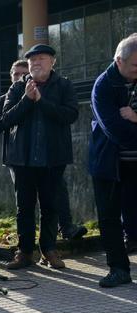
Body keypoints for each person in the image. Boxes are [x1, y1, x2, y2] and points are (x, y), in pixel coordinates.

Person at [0, 44, 78, 270]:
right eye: (32, 60)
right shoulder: (17, 88)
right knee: (24, 208)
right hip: (22, 160)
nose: (36, 63)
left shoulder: (64, 85)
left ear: (53, 62)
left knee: (50, 206)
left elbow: (70, 115)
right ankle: (24, 252)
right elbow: (4, 120)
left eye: (41, 58)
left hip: (53, 158)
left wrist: (41, 101)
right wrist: (26, 100)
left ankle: (49, 250)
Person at [88, 33, 137, 287]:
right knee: (109, 218)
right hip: (109, 163)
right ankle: (118, 269)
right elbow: (114, 129)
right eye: (135, 65)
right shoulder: (103, 86)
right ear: (119, 61)